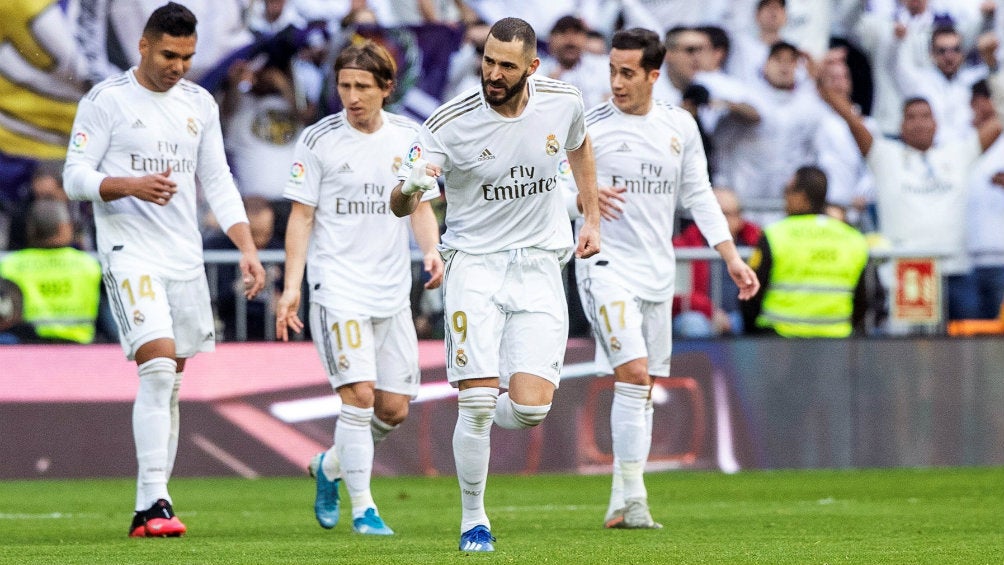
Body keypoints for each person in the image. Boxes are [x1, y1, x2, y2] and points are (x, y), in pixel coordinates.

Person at [389, 16, 601, 552]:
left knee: (530, 409)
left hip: (539, 267)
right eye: (488, 60)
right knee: (480, 402)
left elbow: (579, 147)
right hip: (475, 267)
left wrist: (592, 217)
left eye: (507, 65)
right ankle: (473, 519)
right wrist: (410, 187)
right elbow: (400, 204)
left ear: (532, 67)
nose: (494, 72)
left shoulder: (564, 101)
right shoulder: (447, 122)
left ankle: (474, 414)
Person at [62, 2, 266, 538]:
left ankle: (152, 505)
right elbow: (75, 176)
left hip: (183, 257)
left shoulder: (199, 102)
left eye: (188, 57)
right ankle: (153, 503)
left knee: (170, 382)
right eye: (170, 55)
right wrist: (130, 185)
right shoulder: (106, 101)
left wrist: (245, 246)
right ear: (144, 46)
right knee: (155, 368)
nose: (178, 66)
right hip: (129, 252)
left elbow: (217, 179)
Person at [571, 28, 758, 529]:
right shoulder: (587, 126)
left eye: (627, 72)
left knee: (642, 383)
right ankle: (635, 498)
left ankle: (624, 501)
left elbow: (700, 196)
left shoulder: (680, 126)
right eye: (612, 70)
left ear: (655, 75)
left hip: (658, 271)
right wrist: (580, 199)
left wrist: (731, 258)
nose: (616, 81)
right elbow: (546, 187)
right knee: (632, 373)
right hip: (603, 264)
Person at [275, 39, 444, 536]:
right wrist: (292, 287)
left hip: (390, 286)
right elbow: (301, 216)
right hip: (337, 285)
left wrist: (431, 250)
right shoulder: (319, 139)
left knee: (393, 409)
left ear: (386, 88)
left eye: (362, 87)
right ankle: (364, 508)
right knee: (360, 396)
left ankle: (329, 467)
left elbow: (419, 205)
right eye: (344, 85)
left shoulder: (408, 138)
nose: (351, 96)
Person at [818, 41, 1003, 324]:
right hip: (908, 271)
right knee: (912, 357)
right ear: (901, 127)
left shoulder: (958, 152)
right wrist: (822, 82)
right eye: (911, 118)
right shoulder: (884, 154)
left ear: (936, 124)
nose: (919, 123)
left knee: (969, 352)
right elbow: (850, 118)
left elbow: (1000, 118)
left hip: (957, 270)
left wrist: (994, 68)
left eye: (925, 117)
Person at [742, 166, 870, 337]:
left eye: (787, 190)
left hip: (778, 340)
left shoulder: (776, 234)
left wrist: (754, 334)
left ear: (802, 197)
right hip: (836, 340)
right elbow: (863, 298)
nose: (785, 197)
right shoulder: (852, 239)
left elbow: (750, 291)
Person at [0, 200, 102, 343]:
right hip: (81, 346)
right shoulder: (89, 264)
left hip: (26, 346)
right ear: (63, 227)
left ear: (31, 229)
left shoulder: (9, 265)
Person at [673, 187, 764, 336]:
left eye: (726, 214)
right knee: (693, 324)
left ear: (739, 217)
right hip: (700, 316)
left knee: (752, 320)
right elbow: (675, 293)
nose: (720, 221)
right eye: (715, 215)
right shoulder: (685, 244)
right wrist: (711, 311)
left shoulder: (757, 242)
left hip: (742, 314)